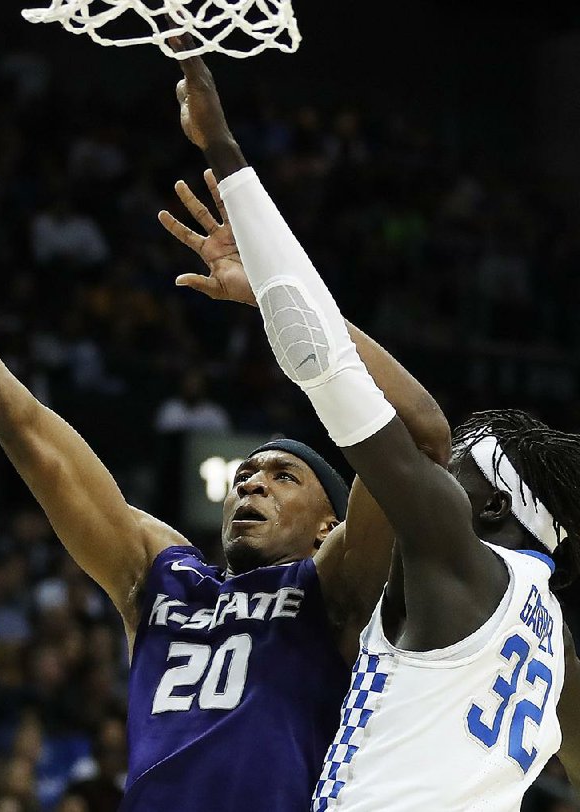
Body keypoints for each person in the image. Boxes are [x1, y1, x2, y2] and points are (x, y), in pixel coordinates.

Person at [0, 142, 449, 812]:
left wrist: (276, 300)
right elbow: (21, 425)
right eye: (245, 474)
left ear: (330, 522)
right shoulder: (162, 577)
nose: (251, 484)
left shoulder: (334, 587)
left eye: (284, 477)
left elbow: (420, 438)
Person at [170, 49, 580, 810]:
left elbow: (320, 362)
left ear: (491, 508)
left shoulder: (455, 554)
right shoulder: (553, 642)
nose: (431, 479)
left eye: (457, 472)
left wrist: (224, 151)